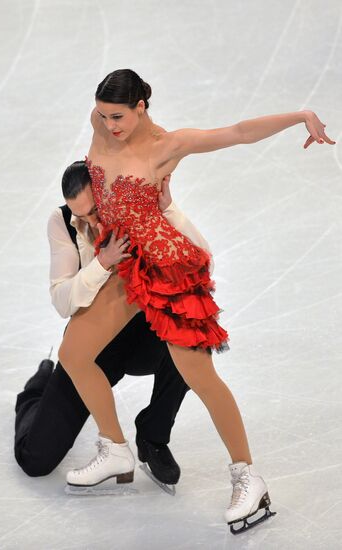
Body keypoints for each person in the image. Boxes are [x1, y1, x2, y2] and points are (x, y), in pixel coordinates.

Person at [57, 69, 335, 533]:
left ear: (142, 106)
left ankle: (249, 476)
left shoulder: (168, 146)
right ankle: (116, 451)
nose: (109, 125)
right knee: (74, 354)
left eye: (118, 116)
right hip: (120, 258)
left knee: (199, 376)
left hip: (164, 268)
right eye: (103, 116)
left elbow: (238, 133)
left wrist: (300, 115)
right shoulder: (98, 120)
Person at [14, 160, 214, 485]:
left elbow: (202, 259)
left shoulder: (138, 211)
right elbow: (63, 301)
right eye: (81, 216)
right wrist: (102, 263)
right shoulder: (62, 222)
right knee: (34, 459)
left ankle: (153, 435)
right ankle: (37, 386)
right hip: (92, 348)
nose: (90, 221)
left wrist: (170, 209)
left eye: (94, 210)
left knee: (191, 330)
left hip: (144, 337)